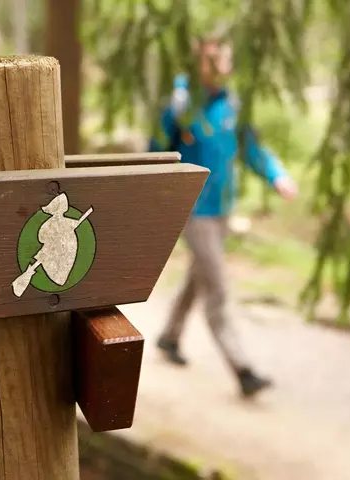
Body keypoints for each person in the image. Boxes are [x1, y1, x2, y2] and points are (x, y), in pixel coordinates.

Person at [148, 35, 299, 398]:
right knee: (217, 286)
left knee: (199, 276)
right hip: (192, 210)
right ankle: (243, 368)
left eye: (225, 60)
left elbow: (251, 148)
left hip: (222, 208)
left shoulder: (232, 105)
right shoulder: (180, 106)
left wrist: (276, 175)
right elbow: (154, 155)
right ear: (199, 63)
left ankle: (169, 337)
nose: (220, 67)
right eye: (212, 60)